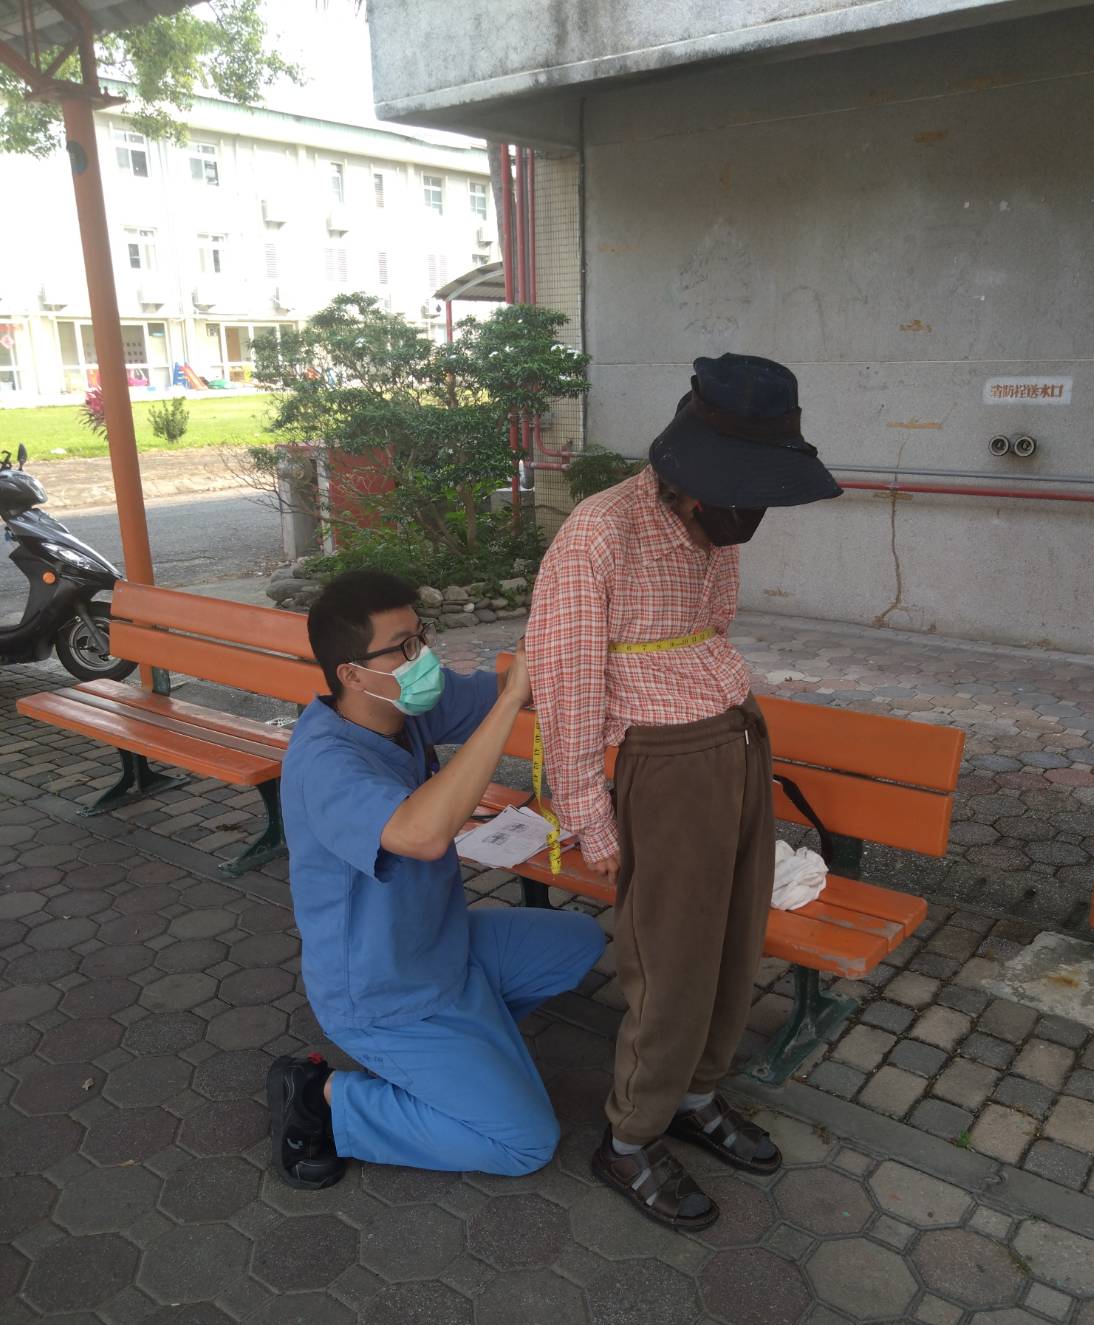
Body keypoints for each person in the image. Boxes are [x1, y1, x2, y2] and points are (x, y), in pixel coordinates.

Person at [527, 354, 842, 1231]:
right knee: (671, 963)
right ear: (688, 468)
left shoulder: (716, 528)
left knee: (736, 942)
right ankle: (630, 1135)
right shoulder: (600, 533)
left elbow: (712, 631)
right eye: (737, 487)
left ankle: (696, 1095)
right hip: (663, 765)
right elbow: (564, 679)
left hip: (737, 740)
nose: (747, 511)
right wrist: (590, 815)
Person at [268, 569, 605, 1190]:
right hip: (381, 992)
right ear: (351, 674)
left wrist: (563, 645)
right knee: (525, 1142)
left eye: (420, 636)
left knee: (578, 944)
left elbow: (512, 685)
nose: (422, 656)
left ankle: (467, 1050)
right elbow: (421, 834)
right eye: (403, 647)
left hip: (442, 944)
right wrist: (510, 703)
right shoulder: (326, 762)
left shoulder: (402, 708)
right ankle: (326, 1098)